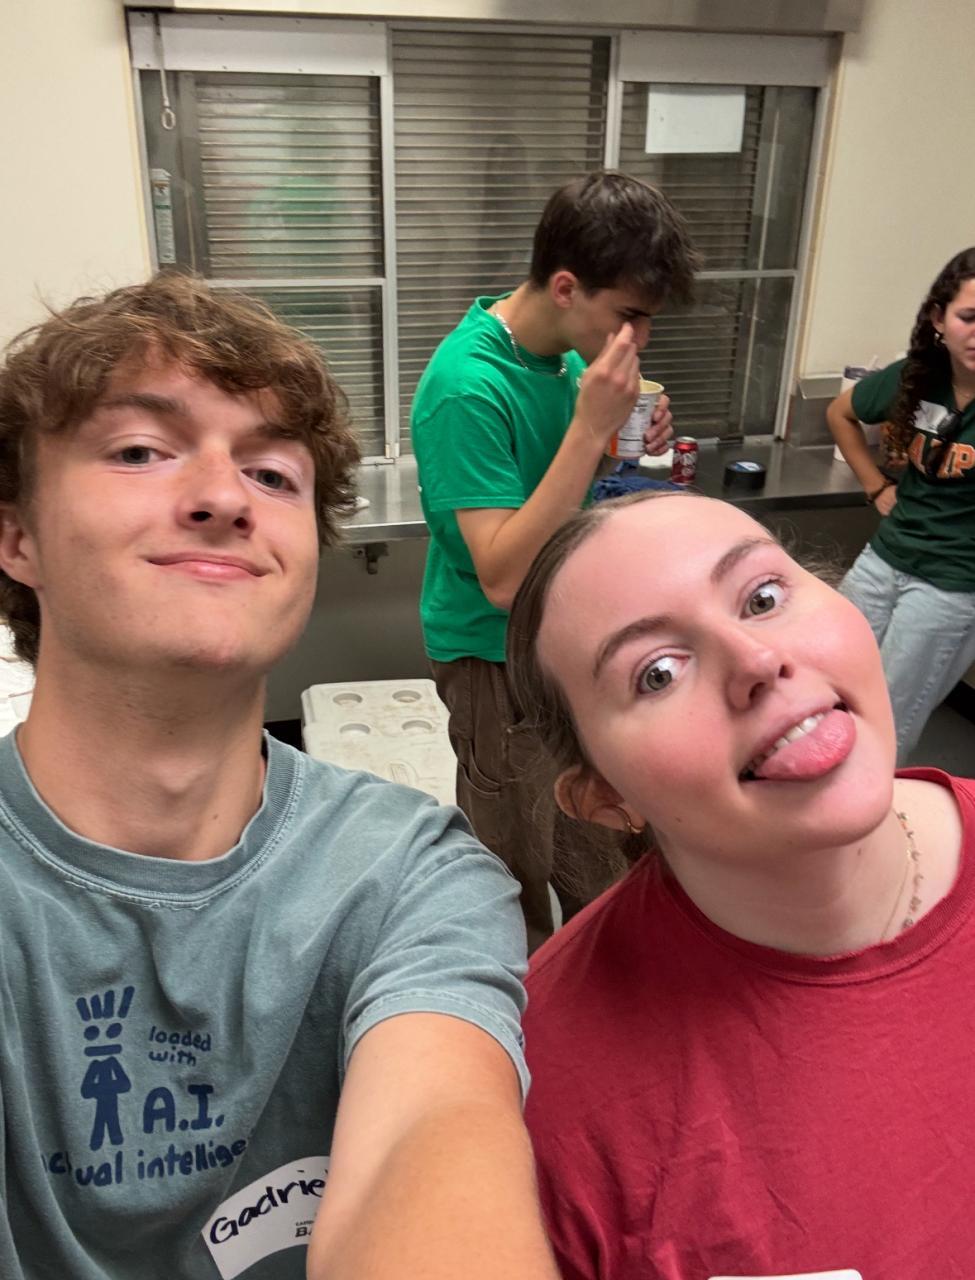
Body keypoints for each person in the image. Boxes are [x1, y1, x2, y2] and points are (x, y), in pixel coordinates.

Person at [0, 273, 559, 1280]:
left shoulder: (412, 877)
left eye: (271, 474)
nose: (223, 497)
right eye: (139, 450)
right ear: (18, 537)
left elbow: (435, 1131)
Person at [505, 489, 975, 1279]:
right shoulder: (547, 1086)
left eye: (761, 598)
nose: (757, 661)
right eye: (656, 674)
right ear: (605, 798)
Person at [411, 171, 700, 947]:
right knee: (509, 864)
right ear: (566, 287)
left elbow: (566, 495)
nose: (637, 340)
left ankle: (597, 983)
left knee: (595, 835)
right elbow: (504, 576)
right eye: (628, 316)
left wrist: (624, 435)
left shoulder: (568, 357)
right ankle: (519, 1002)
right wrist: (588, 428)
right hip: (493, 657)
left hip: (566, 642)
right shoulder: (467, 387)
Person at [828, 247, 975, 764]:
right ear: (939, 318)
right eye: (968, 317)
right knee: (825, 679)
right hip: (883, 559)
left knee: (885, 724)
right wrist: (875, 486)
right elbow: (840, 413)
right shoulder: (916, 376)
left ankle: (867, 810)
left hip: (950, 586)